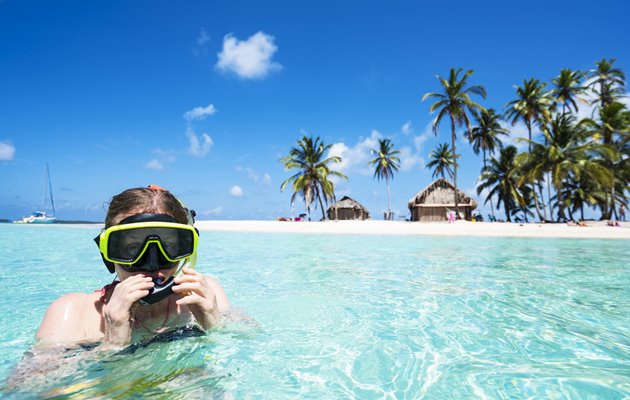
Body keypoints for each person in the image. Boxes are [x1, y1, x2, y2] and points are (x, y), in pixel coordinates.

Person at [36, 185, 230, 347]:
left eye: (168, 247)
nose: (152, 263)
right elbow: (36, 390)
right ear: (107, 252)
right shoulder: (73, 313)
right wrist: (113, 344)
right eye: (133, 248)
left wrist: (214, 325)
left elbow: (245, 352)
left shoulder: (204, 295)